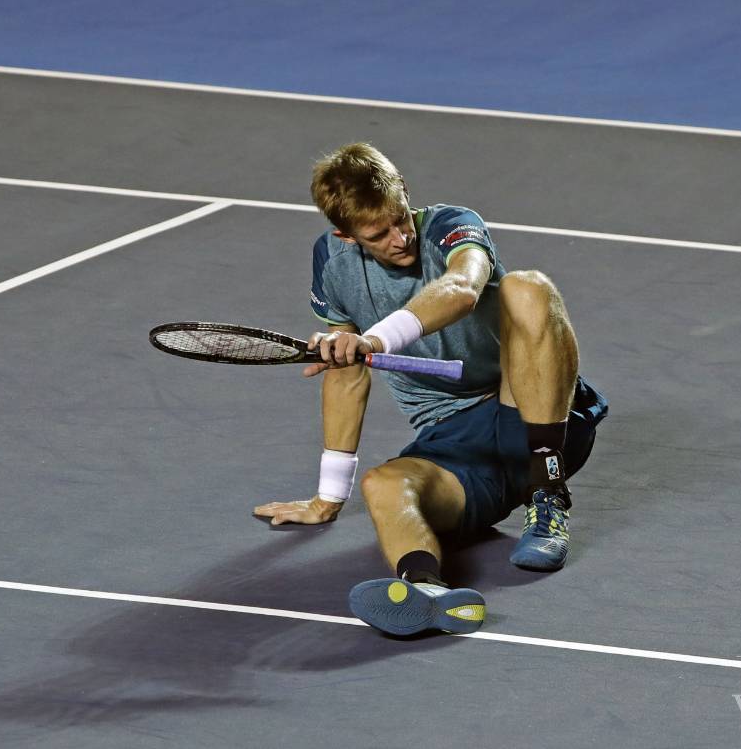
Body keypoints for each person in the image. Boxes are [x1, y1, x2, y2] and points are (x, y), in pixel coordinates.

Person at [253, 142, 607, 636]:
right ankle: (427, 592)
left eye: (402, 218)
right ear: (345, 234)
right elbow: (346, 376)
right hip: (455, 446)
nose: (400, 238)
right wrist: (327, 497)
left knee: (527, 288)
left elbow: (463, 289)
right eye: (380, 233)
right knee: (384, 484)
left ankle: (547, 495)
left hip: (531, 414)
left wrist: (375, 338)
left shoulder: (451, 226)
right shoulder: (331, 263)